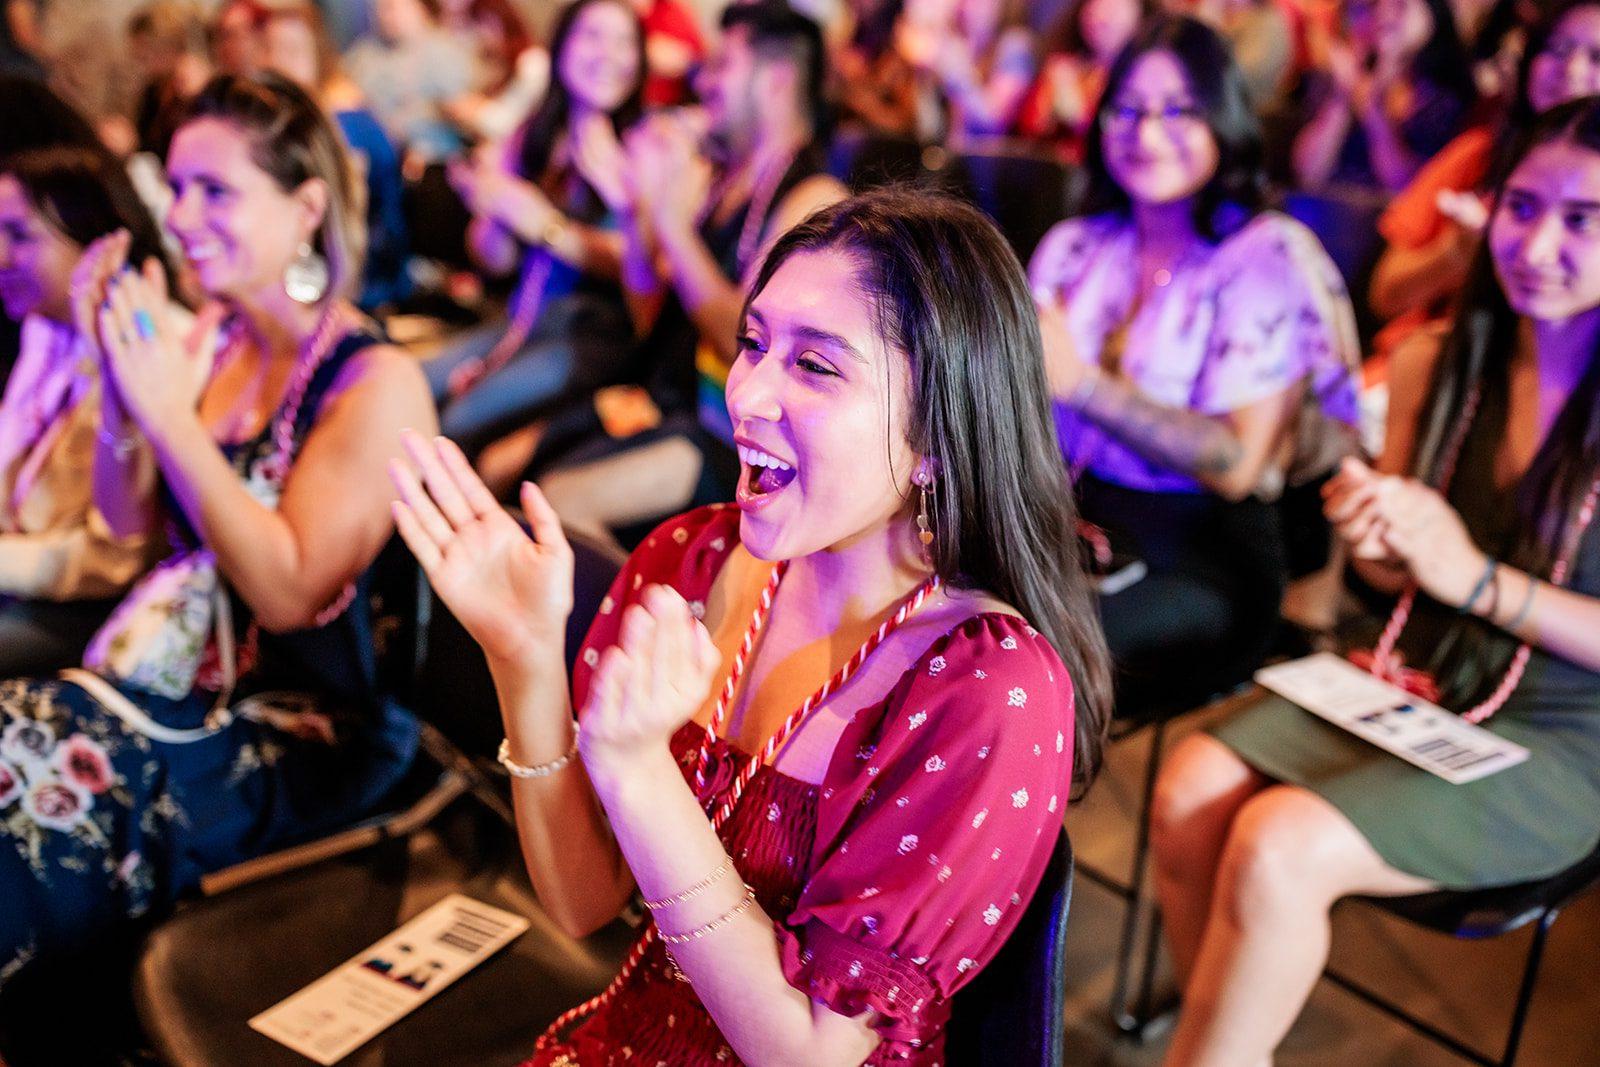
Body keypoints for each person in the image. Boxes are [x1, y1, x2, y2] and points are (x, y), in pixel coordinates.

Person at [390, 186, 1112, 1065]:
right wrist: (525, 658)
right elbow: (582, 902)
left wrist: (635, 767)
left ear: (935, 432)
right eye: (755, 344)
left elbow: (807, 1051)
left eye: (816, 366)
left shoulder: (988, 686)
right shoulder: (689, 560)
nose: (748, 394)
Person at [1149, 94, 1600, 1067]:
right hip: (1419, 669)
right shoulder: (1443, 360)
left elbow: (1461, 576)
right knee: (1187, 784)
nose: (1536, 243)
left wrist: (1473, 577)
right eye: (1519, 207)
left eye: (1580, 220)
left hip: (1565, 725)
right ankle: (1223, 1046)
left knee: (1277, 841)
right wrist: (1378, 531)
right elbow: (1390, 577)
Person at [0, 72, 436, 993]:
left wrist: (170, 415)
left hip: (305, 733)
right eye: (177, 186)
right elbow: (128, 528)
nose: (184, 215)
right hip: (169, 690)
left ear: (306, 205)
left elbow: (291, 591)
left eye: (217, 190)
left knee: (30, 803)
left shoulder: (375, 381)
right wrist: (125, 385)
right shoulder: (216, 340)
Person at [1028, 15, 1362, 719]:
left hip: (1205, 549)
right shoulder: (1075, 245)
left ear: (1225, 116)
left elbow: (1236, 461)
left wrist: (1084, 385)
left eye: (1179, 109)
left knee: (1024, 655)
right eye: (1127, 108)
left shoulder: (1265, 257)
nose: (1147, 133)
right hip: (1071, 516)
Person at [528, 1, 847, 549]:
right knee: (508, 469)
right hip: (656, 400)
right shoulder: (719, 180)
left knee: (558, 503)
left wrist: (673, 226)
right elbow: (645, 315)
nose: (705, 80)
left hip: (724, 434)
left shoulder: (812, 199)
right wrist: (634, 212)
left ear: (774, 82)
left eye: (723, 65)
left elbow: (738, 338)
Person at [423, 0, 644, 458]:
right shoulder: (537, 134)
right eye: (593, 37)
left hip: (593, 332)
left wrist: (541, 222)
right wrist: (491, 209)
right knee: (416, 382)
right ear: (561, 48)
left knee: (457, 419)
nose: (608, 54)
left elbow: (642, 269)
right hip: (523, 317)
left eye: (624, 41)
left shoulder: (648, 141)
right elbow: (494, 258)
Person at [0, 146, 167, 676]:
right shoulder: (45, 330)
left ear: (100, 246)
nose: (1, 255)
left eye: (21, 235)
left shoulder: (153, 345)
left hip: (90, 610)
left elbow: (112, 560)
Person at [1368, 0, 1600, 351]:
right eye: (1558, 49)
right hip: (1427, 361)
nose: (1572, 69)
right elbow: (1384, 296)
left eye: (1598, 58)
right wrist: (1458, 252)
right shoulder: (1478, 156)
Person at [260, 0, 412, 311]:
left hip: (367, 282)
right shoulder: (304, 113)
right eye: (269, 49)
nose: (277, 63)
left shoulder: (343, 121)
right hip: (327, 270)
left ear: (318, 53)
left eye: (291, 51)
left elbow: (344, 220)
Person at [1291, 0, 1476, 194]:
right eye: (1374, 5)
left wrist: (1372, 106)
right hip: (1328, 210)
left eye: (1400, 5)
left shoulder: (1442, 96)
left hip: (1384, 217)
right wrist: (1342, 98)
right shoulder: (1345, 76)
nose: (1385, 14)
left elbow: (1405, 187)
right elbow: (1307, 174)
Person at [343, 0, 476, 166]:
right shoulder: (363, 56)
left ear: (421, 8)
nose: (388, 16)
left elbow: (460, 112)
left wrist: (424, 146)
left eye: (394, 7)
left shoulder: (445, 53)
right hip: (377, 151)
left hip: (434, 156)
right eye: (382, 9)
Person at [1020, 0, 1150, 160]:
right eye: (1094, 5)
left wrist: (1078, 116)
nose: (1100, 16)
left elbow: (1127, 138)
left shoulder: (1141, 76)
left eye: (1112, 8)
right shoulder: (1064, 68)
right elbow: (1028, 130)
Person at [924, 0, 1040, 145]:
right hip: (955, 156)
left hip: (991, 161)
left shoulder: (1016, 45)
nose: (963, 7)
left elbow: (993, 119)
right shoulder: (970, 45)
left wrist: (952, 67)